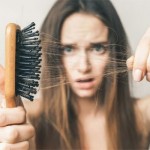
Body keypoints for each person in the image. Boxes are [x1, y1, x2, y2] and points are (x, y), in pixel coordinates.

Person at [0, 0, 150, 149]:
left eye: (97, 48)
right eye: (68, 49)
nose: (84, 67)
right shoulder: (27, 118)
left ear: (115, 51)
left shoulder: (142, 115)